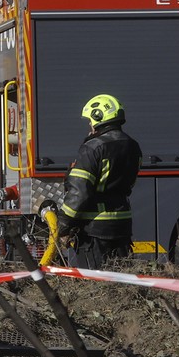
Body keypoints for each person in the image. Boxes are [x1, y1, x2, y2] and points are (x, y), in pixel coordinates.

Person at [56, 93, 142, 270]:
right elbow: (130, 183)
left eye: (90, 120)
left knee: (94, 282)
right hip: (122, 226)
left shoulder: (92, 148)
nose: (90, 125)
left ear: (98, 116)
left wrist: (63, 224)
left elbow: (79, 193)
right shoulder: (133, 146)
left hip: (94, 232)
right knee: (120, 278)